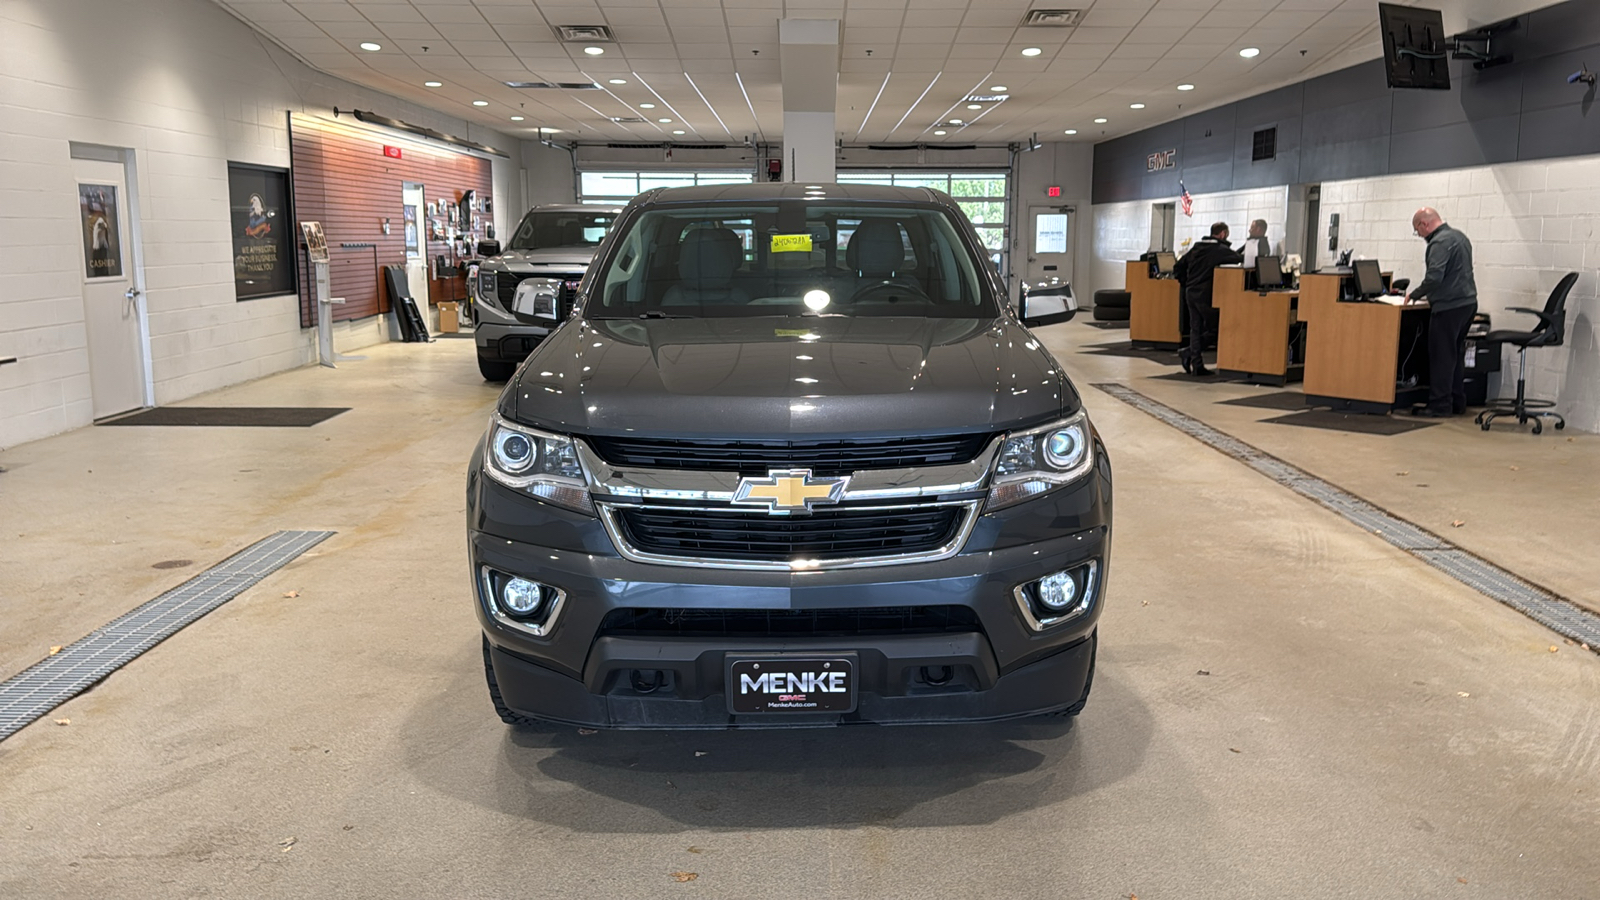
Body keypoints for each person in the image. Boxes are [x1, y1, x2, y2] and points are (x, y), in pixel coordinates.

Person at [1405, 208, 1477, 417]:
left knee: (1442, 357)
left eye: (1417, 231)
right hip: (1468, 304)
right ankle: (1456, 402)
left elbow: (1435, 277)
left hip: (1449, 307)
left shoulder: (1438, 243)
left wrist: (1416, 294)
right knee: (1455, 355)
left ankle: (1439, 405)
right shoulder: (1460, 237)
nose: (1419, 235)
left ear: (1423, 225)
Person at [1172, 221, 1242, 376]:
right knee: (1216, 328)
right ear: (1223, 234)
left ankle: (1196, 363)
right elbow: (1239, 258)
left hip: (1190, 292)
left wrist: (1186, 282)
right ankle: (1189, 352)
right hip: (1205, 294)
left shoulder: (1196, 248)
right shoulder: (1219, 250)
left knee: (1195, 328)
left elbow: (1178, 267)